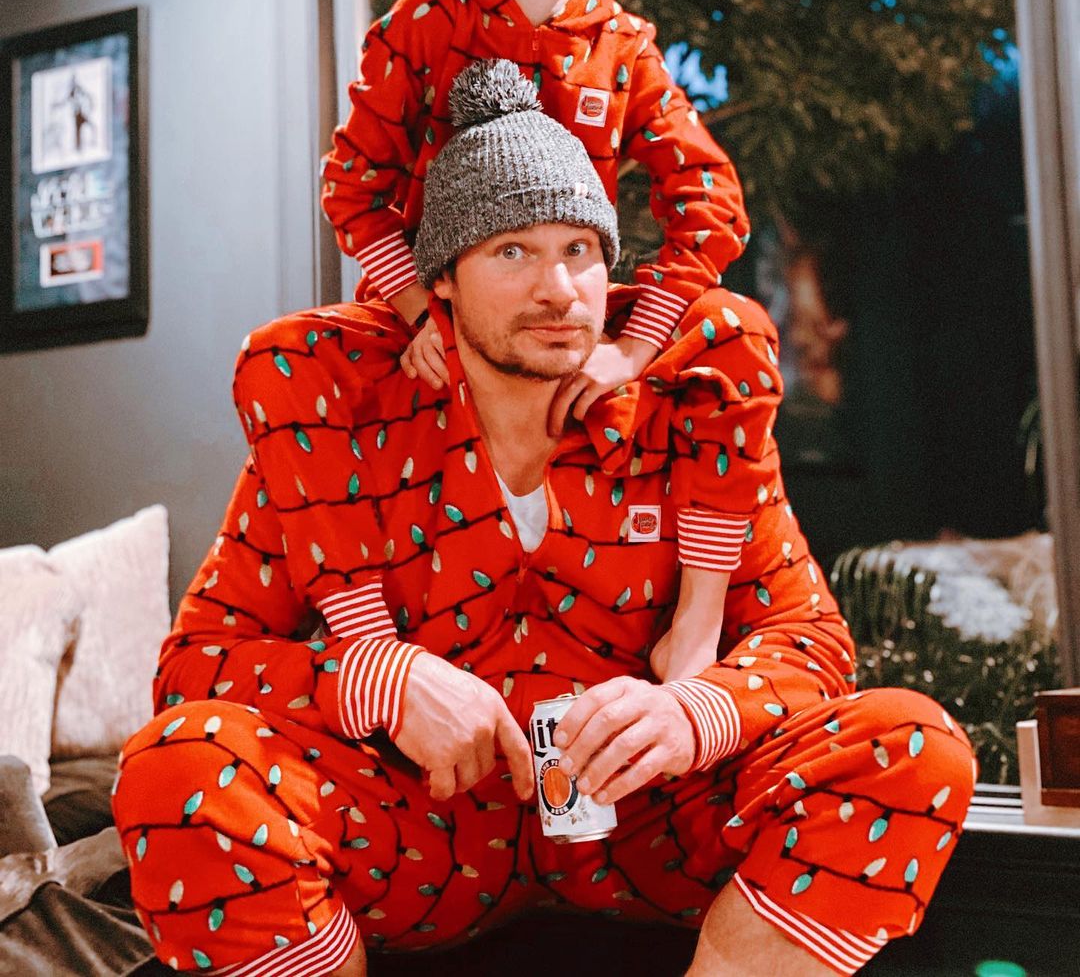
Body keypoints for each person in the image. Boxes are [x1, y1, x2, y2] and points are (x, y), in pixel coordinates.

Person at [113, 65, 976, 977]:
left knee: (911, 745)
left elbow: (809, 640)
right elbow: (194, 669)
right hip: (413, 833)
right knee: (177, 768)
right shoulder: (333, 435)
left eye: (580, 250)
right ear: (440, 280)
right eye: (512, 252)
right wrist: (377, 680)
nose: (560, 288)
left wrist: (696, 712)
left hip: (654, 825)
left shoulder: (689, 421)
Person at [325, 0, 754, 678]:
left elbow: (710, 197)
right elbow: (351, 186)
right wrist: (413, 311)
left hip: (580, 303)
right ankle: (372, 649)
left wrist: (631, 348)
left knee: (738, 334)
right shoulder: (422, 24)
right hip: (445, 303)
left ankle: (700, 621)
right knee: (294, 357)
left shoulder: (624, 45)